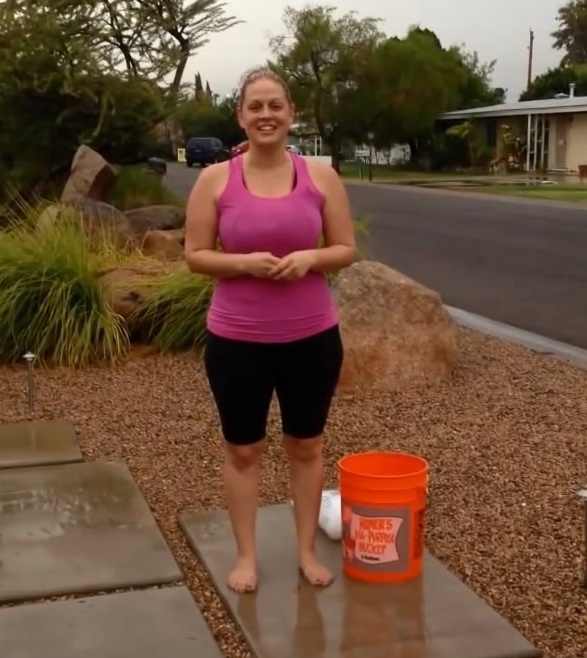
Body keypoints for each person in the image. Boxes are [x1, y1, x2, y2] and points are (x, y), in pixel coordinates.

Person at [183, 67, 356, 593]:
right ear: (240, 115)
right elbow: (195, 255)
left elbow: (346, 249)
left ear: (291, 114)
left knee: (306, 446)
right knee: (243, 450)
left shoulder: (320, 176)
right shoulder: (215, 179)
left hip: (311, 339)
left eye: (275, 105)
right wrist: (244, 264)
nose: (265, 115)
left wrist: (309, 258)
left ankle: (305, 552)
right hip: (238, 341)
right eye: (254, 106)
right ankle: (247, 557)